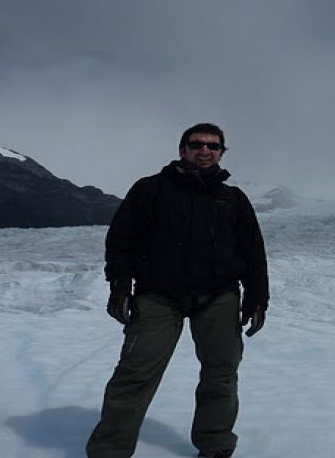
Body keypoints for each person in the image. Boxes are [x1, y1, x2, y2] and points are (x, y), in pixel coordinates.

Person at [86, 122, 269, 458]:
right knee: (135, 373)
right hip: (158, 295)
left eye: (213, 146)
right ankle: (109, 450)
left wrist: (258, 298)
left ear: (221, 153)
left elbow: (253, 252)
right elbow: (121, 240)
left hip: (218, 296)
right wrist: (120, 284)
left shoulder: (233, 198)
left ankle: (215, 444)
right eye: (196, 144)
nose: (204, 151)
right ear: (182, 149)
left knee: (221, 374)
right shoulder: (150, 189)